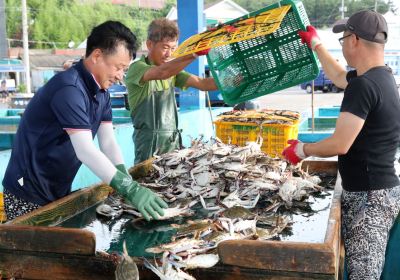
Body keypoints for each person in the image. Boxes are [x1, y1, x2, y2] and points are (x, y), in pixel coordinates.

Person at [2, 21, 168, 222]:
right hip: (26, 192)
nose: (120, 76)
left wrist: (125, 179)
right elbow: (85, 150)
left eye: (124, 69)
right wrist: (131, 189)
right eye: (118, 67)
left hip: (57, 190)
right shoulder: (69, 88)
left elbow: (107, 142)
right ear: (97, 56)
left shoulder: (102, 92)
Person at [282, 10, 400, 279]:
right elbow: (338, 77)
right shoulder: (382, 78)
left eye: (343, 38)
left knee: (363, 275)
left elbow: (340, 144)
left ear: (354, 40)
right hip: (380, 191)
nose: (343, 44)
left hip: (370, 199)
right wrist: (317, 45)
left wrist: (301, 150)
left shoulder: (364, 85)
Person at [126, 18, 219, 165]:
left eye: (173, 48)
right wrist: (194, 54)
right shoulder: (136, 68)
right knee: (148, 182)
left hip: (173, 143)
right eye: (165, 47)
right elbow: (161, 73)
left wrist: (234, 80)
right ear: (149, 44)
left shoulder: (173, 72)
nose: (169, 53)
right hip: (148, 144)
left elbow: (203, 83)